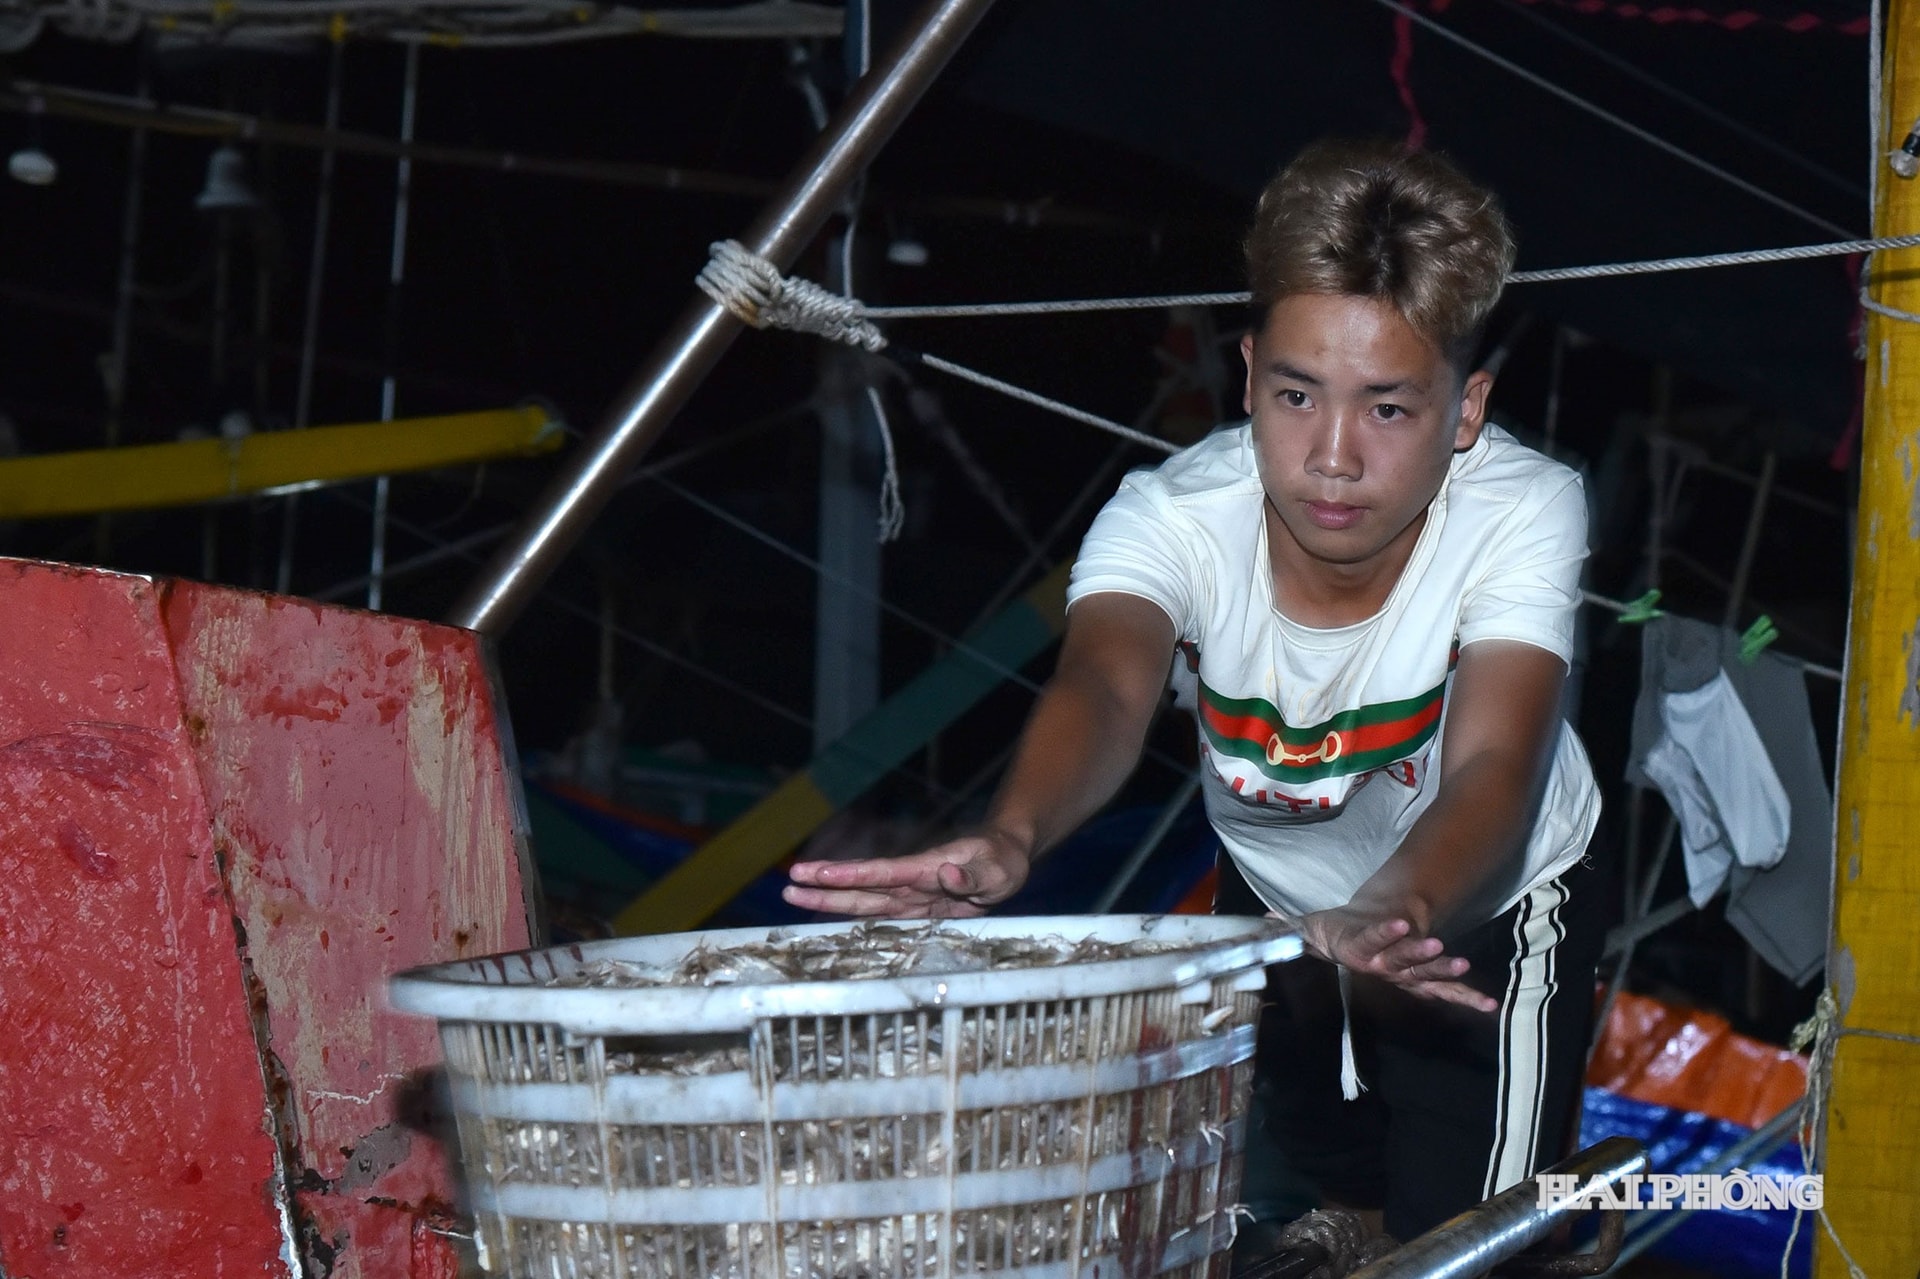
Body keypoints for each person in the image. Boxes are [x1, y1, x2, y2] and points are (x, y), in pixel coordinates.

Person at [784, 138, 1603, 1243]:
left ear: (1466, 411)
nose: (1333, 456)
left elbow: (1497, 761)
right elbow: (1105, 684)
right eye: (1298, 394)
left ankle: (1505, 1226)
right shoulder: (1172, 515)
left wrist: (1394, 905)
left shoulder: (1523, 506)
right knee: (1331, 1186)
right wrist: (1013, 835)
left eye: (1388, 409)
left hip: (1489, 906)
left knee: (1467, 1240)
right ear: (1250, 375)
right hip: (1277, 897)